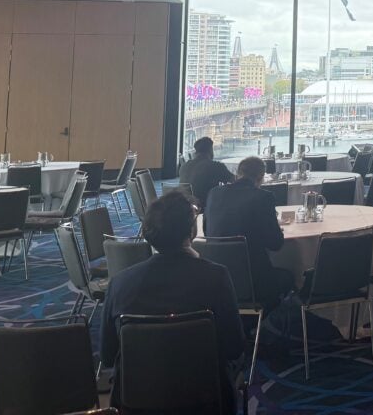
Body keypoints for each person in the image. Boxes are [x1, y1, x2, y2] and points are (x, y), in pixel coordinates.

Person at [101, 191, 244, 411]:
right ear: (191, 230)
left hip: (137, 402)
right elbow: (234, 347)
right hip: (207, 400)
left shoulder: (120, 283)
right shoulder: (216, 277)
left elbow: (108, 355)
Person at [204, 156, 293, 310]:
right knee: (290, 277)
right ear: (261, 177)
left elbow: (207, 232)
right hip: (253, 282)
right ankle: (275, 326)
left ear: (238, 173)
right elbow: (276, 244)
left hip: (216, 278)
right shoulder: (263, 197)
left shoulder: (213, 194)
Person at [179, 136, 234, 209]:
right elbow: (234, 181)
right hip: (207, 204)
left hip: (186, 203)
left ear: (196, 151)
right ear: (210, 150)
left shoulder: (184, 166)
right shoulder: (216, 166)